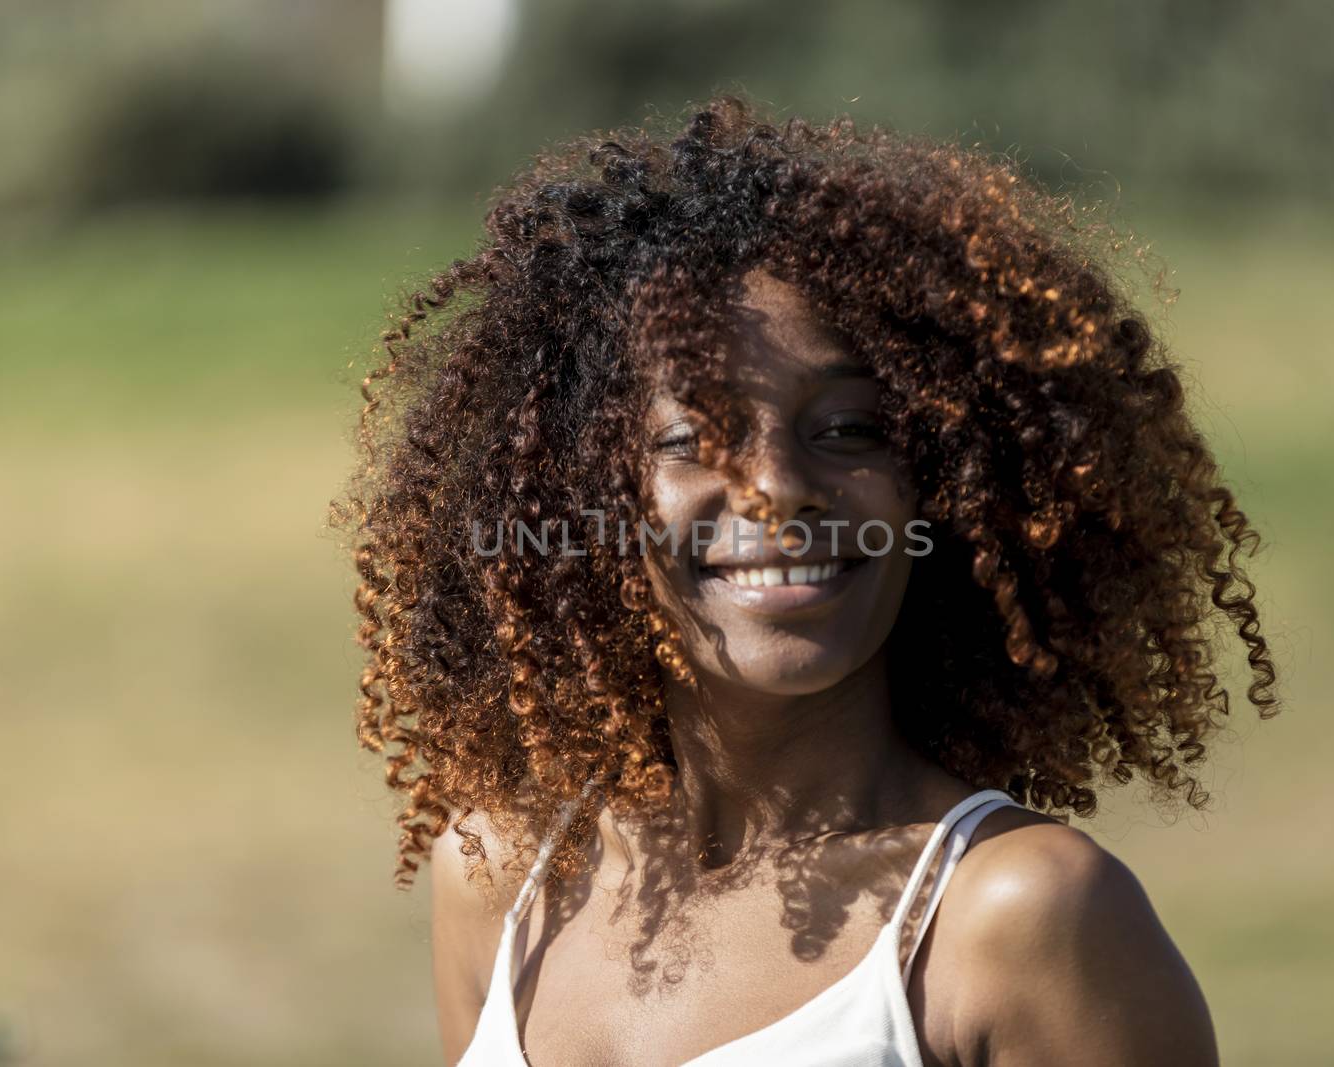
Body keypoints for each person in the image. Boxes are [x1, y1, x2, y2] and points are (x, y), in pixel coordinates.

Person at [334, 94, 1280, 1066]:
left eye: (849, 430)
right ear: (585, 494)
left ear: (942, 483)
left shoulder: (1016, 916)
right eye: (693, 437)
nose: (778, 489)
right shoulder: (504, 875)